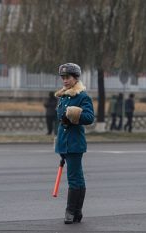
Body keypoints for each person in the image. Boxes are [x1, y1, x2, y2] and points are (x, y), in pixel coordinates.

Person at [54, 63, 94, 224]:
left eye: (68, 77)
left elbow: (89, 118)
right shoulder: (63, 96)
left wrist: (73, 113)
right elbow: (61, 119)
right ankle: (77, 212)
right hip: (64, 143)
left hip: (75, 143)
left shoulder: (82, 96)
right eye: (63, 77)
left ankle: (70, 211)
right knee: (77, 177)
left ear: (76, 78)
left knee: (74, 178)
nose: (65, 80)